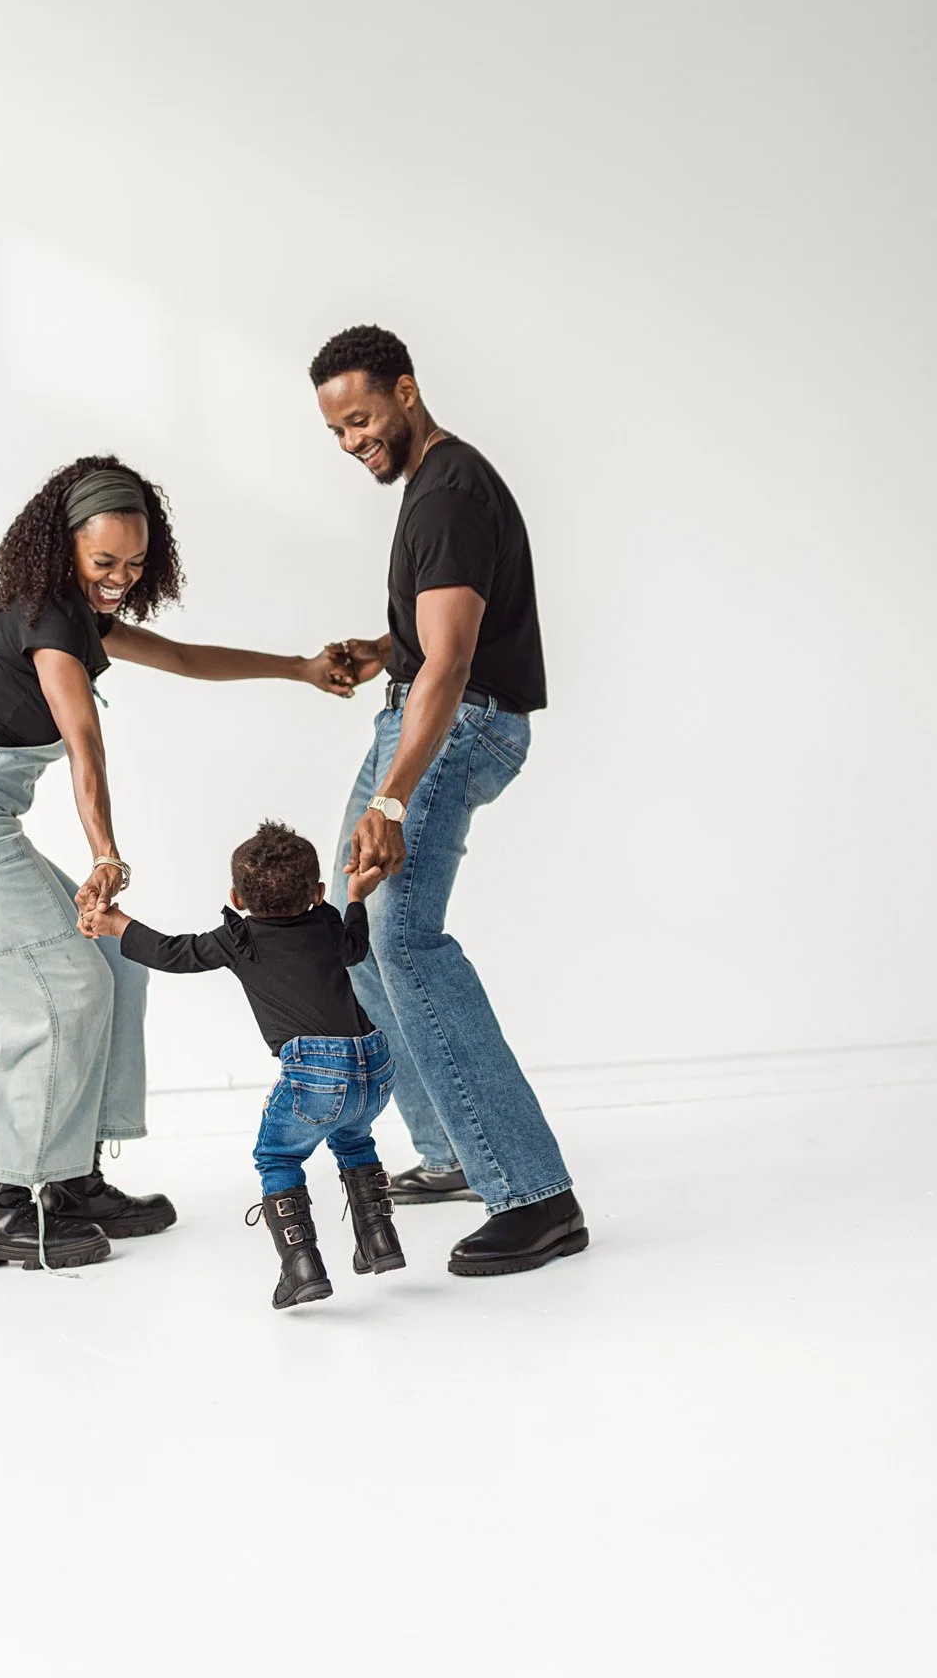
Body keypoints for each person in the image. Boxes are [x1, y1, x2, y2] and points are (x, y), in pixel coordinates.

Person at [0, 455, 355, 1272]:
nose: (120, 579)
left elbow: (189, 658)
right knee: (63, 986)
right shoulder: (49, 619)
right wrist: (103, 851)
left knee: (114, 963)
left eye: (134, 564)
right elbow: (83, 738)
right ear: (64, 550)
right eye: (104, 564)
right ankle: (0, 1202)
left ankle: (68, 1180)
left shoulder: (77, 614)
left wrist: (299, 669)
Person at [310, 325, 589, 1276]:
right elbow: (429, 638)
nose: (354, 442)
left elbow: (457, 658)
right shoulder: (432, 490)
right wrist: (377, 650)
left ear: (406, 388)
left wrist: (390, 803)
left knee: (405, 938)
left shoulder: (452, 491)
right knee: (352, 928)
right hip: (423, 712)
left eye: (361, 418)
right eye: (339, 433)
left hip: (454, 726)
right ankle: (452, 1153)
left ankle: (536, 1194)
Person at [85, 820, 405, 1310]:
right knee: (353, 1136)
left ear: (237, 897)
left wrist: (115, 924)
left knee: (278, 1157)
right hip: (375, 1066)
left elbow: (173, 953)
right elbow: (355, 948)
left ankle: (302, 1269)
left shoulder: (240, 938)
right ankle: (379, 1240)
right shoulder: (327, 921)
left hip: (315, 1072)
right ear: (319, 892)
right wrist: (357, 896)